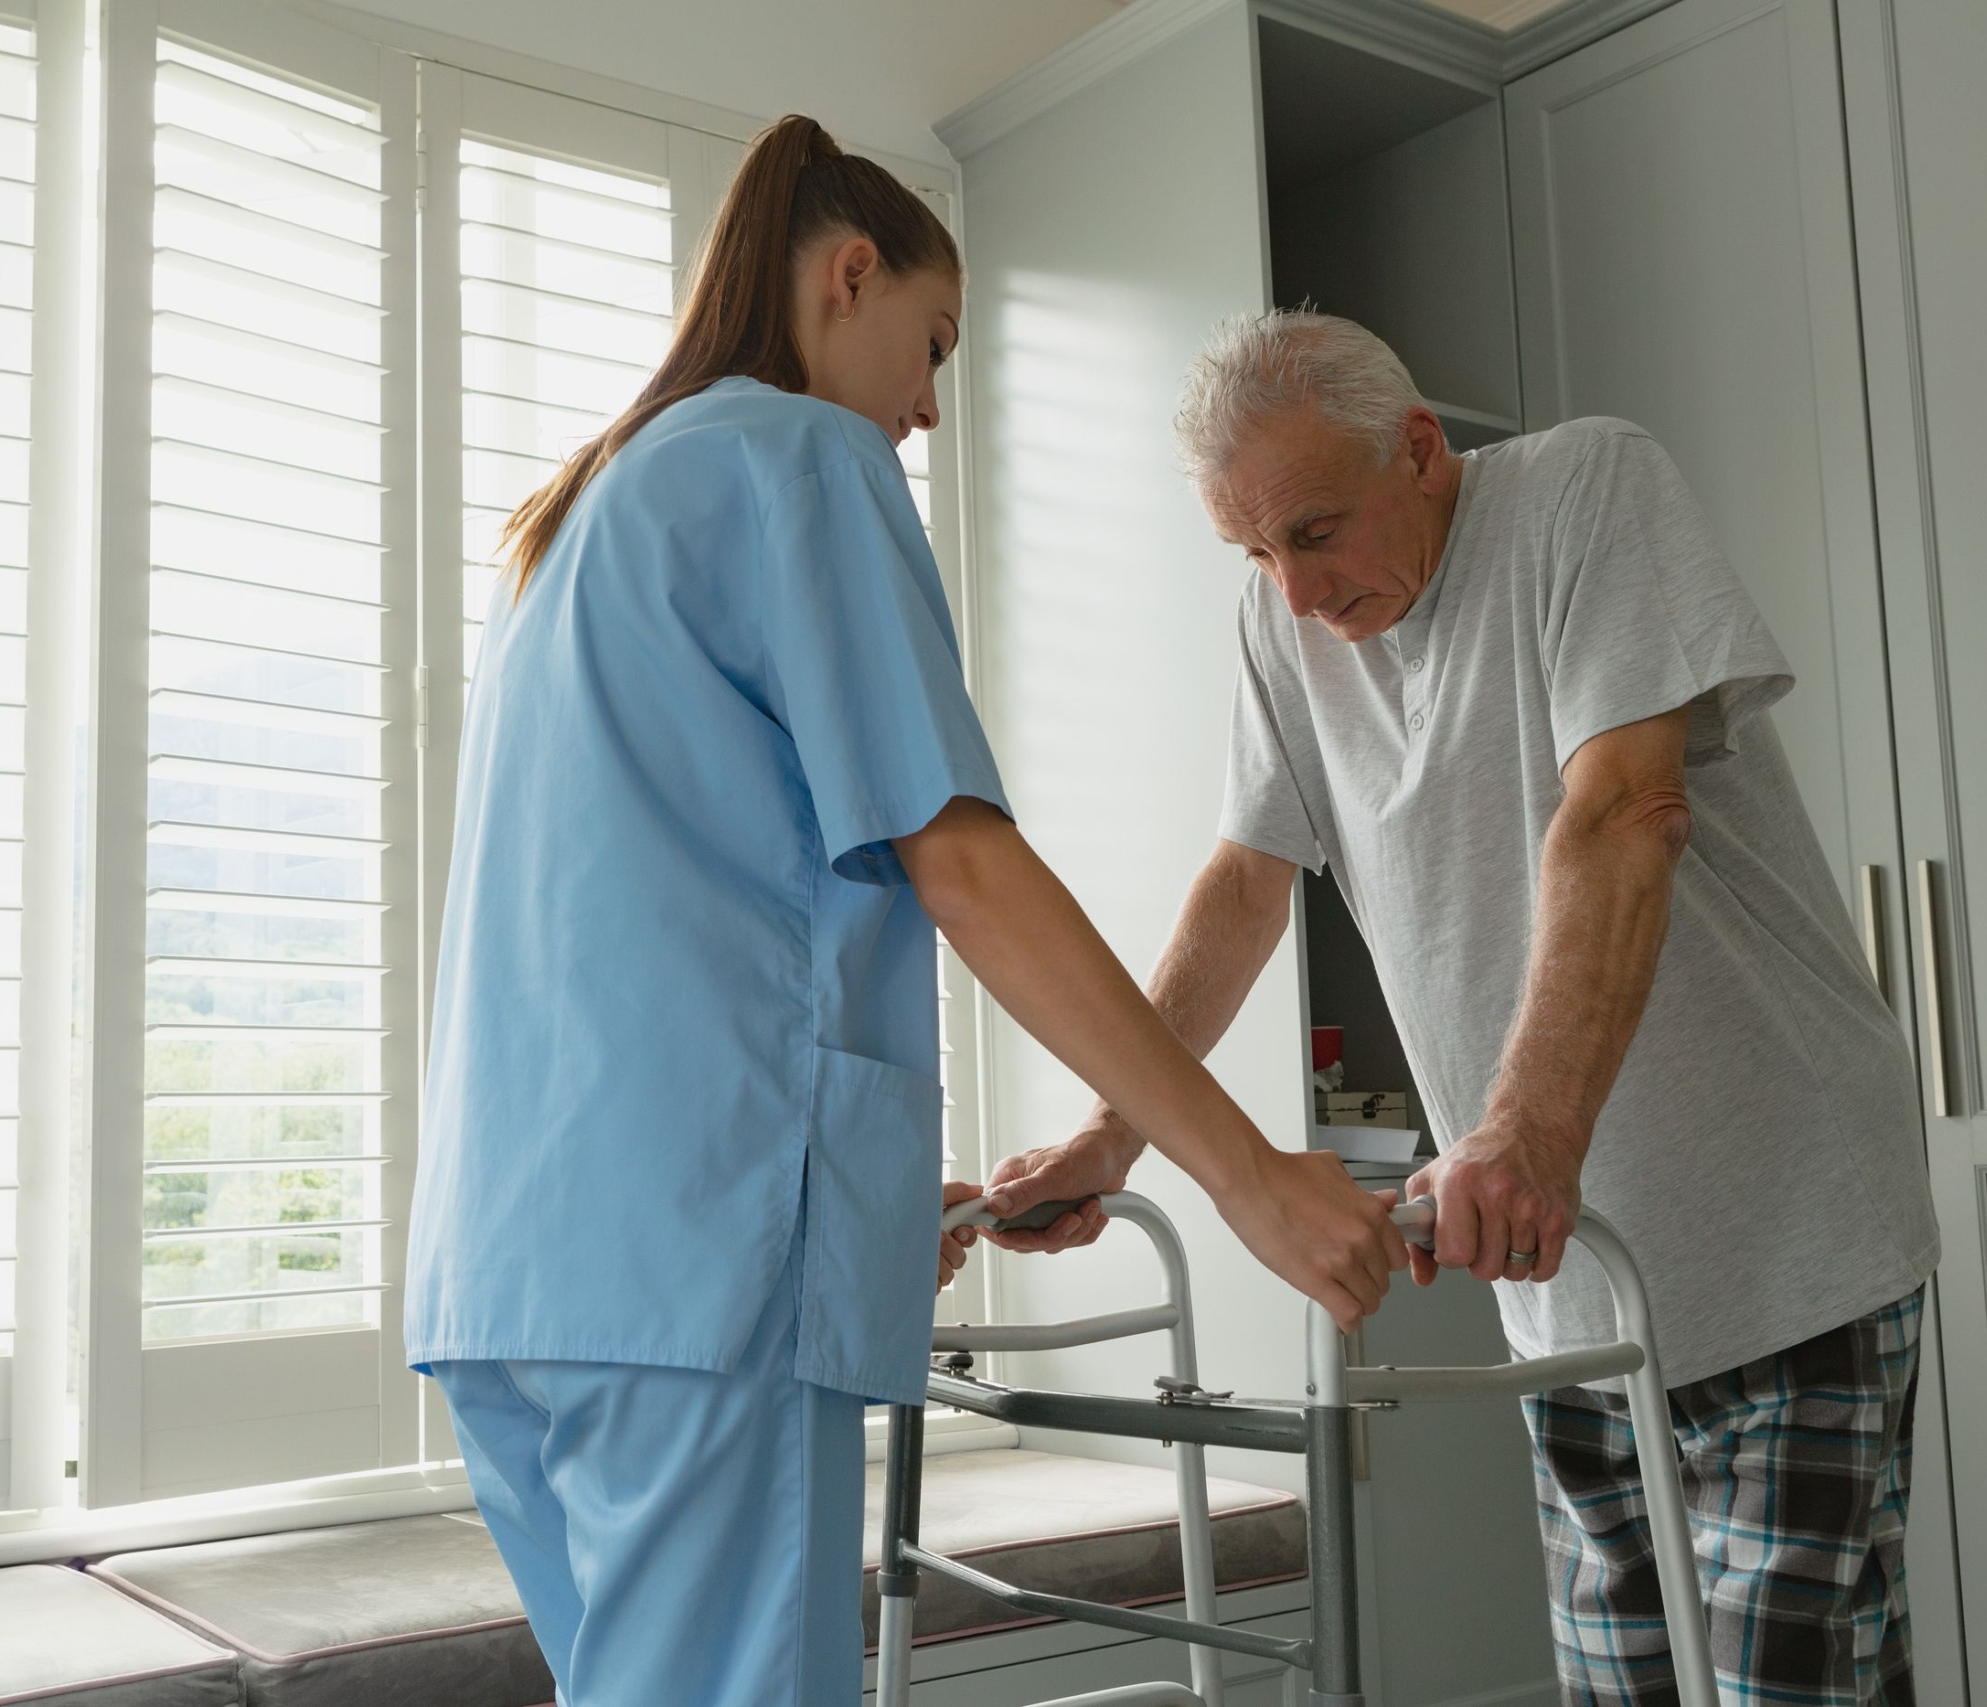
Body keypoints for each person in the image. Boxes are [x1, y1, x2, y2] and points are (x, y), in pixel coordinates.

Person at [404, 129, 1408, 1706]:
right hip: (695, 1275)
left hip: (522, 1277)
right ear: (848, 272)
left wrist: (858, 1208)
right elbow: (964, 864)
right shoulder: (795, 456)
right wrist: (1248, 1176)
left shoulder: (582, 519)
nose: (929, 405)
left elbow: (651, 940)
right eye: (931, 345)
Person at [984, 309, 1942, 1706]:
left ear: (1419, 449)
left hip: (1783, 1241)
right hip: (1573, 1291)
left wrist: (1528, 1134)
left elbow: (1622, 810)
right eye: (1253, 552)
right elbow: (1247, 889)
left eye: (1314, 532)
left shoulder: (1584, 492)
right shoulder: (1281, 621)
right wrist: (1108, 1139)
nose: (1293, 592)